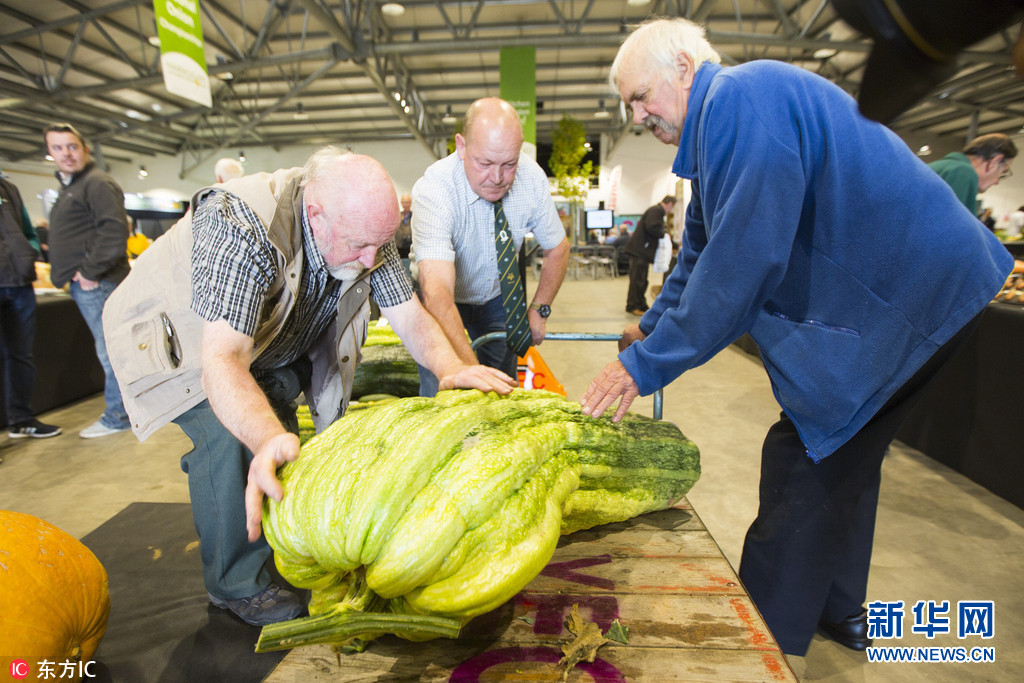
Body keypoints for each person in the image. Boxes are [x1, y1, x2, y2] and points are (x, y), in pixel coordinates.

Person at [579, 18, 1013, 657]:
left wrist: (644, 366)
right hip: (922, 294)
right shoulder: (715, 135)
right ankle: (840, 610)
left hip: (918, 295)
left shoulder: (738, 103)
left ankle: (755, 649)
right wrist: (649, 325)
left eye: (640, 95)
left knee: (806, 460)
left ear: (683, 67)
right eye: (627, 103)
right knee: (843, 450)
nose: (635, 113)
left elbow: (742, 264)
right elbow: (700, 249)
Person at [102, 147, 515, 626]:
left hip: (260, 338)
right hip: (181, 339)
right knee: (230, 442)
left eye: (377, 247)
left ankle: (274, 544)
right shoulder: (241, 228)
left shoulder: (362, 227)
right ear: (316, 215)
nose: (369, 261)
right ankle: (234, 584)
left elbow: (407, 314)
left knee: (279, 434)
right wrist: (263, 437)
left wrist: (448, 366)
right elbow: (222, 361)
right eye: (360, 246)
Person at [412, 97, 570, 396]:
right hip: (445, 299)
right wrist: (469, 371)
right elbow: (436, 292)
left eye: (508, 164)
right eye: (484, 163)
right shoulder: (435, 189)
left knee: (502, 385)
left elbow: (558, 249)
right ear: (461, 146)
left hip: (499, 297)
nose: (497, 178)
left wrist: (539, 309)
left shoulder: (531, 178)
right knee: (442, 387)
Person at [44, 123, 132, 439]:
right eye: (58, 148)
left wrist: (90, 271)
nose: (66, 154)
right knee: (109, 349)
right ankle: (121, 412)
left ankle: (118, 415)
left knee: (112, 351)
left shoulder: (96, 183)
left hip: (100, 282)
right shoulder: (72, 186)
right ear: (50, 153)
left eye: (72, 146)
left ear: (84, 149)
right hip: (89, 282)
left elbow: (113, 230)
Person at [0, 170, 61, 440]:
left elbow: (27, 230)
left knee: (20, 356)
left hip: (19, 282)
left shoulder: (7, 189)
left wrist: (28, 251)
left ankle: (21, 418)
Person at [928, 133, 1017, 219]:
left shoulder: (943, 167)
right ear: (995, 162)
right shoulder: (963, 172)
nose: (997, 182)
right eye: (1003, 172)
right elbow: (952, 228)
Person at [624, 195, 675, 315]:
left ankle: (641, 305)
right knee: (638, 280)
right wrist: (663, 233)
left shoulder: (655, 211)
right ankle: (633, 306)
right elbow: (652, 226)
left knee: (641, 280)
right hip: (640, 252)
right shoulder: (656, 211)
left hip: (641, 252)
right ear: (669, 204)